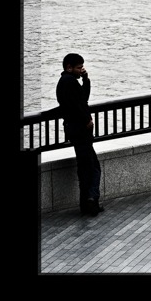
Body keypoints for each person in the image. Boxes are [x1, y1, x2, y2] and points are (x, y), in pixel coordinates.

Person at [57, 53, 102, 216]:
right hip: (80, 130)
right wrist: (86, 120)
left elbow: (82, 99)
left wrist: (86, 80)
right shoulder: (69, 82)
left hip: (74, 130)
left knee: (88, 166)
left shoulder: (66, 82)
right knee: (91, 167)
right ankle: (91, 200)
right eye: (78, 67)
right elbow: (78, 105)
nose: (81, 69)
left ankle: (89, 202)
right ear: (69, 67)